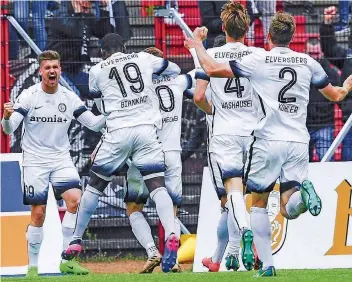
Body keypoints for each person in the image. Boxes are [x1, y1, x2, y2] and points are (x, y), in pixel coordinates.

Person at [185, 11, 352, 277]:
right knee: (288, 205)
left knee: (258, 203)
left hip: (266, 139)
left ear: (269, 36)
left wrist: (197, 46)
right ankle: (304, 198)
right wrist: (347, 84)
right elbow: (335, 95)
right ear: (293, 36)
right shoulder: (307, 61)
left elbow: (213, 69)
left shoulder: (258, 58)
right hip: (298, 140)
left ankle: (268, 265)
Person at [62, 33, 182, 273]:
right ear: (125, 47)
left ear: (103, 52)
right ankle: (171, 233)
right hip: (147, 131)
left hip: (117, 132)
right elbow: (175, 69)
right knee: (158, 186)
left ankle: (76, 238)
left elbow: (99, 106)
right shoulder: (143, 58)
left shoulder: (97, 71)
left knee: (94, 187)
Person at [1, 50, 107, 277]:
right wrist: (6, 116)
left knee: (75, 201)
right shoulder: (29, 96)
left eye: (55, 67)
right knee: (38, 214)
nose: (52, 71)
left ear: (60, 70)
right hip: (35, 161)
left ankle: (66, 260)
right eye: (48, 67)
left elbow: (94, 124)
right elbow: (9, 129)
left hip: (61, 159)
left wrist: (115, 112)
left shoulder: (69, 98)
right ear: (41, 71)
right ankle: (32, 266)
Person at [191, 2, 259, 271]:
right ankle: (230, 250)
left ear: (223, 28)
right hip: (253, 132)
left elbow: (198, 97)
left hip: (224, 132)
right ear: (247, 28)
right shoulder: (257, 54)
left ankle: (243, 233)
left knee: (232, 192)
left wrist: (215, 108)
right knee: (251, 195)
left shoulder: (211, 54)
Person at [122, 46, 195, 274]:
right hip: (172, 153)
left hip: (145, 153)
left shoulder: (138, 92)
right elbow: (201, 72)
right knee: (170, 208)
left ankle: (152, 251)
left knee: (134, 207)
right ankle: (172, 258)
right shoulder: (178, 83)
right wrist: (194, 49)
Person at [320, 6, 352, 161]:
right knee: (347, 171)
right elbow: (330, 49)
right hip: (349, 124)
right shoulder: (348, 56)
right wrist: (327, 24)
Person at [305, 37, 341, 161]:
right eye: (311, 54)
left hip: (324, 124)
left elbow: (339, 97)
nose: (314, 57)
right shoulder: (300, 72)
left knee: (326, 163)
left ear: (322, 52)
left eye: (316, 53)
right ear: (305, 52)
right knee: (302, 165)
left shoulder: (331, 73)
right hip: (304, 125)